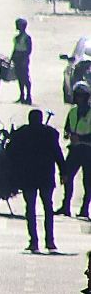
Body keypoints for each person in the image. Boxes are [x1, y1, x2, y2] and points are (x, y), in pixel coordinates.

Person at [7, 107, 65, 252]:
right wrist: (63, 172)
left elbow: (10, 153)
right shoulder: (50, 134)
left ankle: (34, 241)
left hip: (29, 177)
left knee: (31, 209)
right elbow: (58, 154)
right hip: (45, 175)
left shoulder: (22, 134)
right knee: (48, 208)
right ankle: (49, 241)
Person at [64, 81, 91, 218]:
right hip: (74, 150)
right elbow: (67, 128)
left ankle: (85, 208)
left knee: (88, 181)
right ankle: (65, 206)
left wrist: (81, 139)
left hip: (88, 152)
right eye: (77, 96)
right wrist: (68, 134)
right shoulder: (73, 111)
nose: (79, 99)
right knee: (67, 176)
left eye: (82, 96)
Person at [12, 18, 33, 104]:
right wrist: (12, 58)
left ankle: (28, 96)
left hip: (23, 58)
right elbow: (15, 49)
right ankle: (22, 95)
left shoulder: (27, 38)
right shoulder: (16, 38)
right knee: (20, 78)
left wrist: (24, 59)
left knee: (25, 77)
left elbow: (29, 50)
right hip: (18, 58)